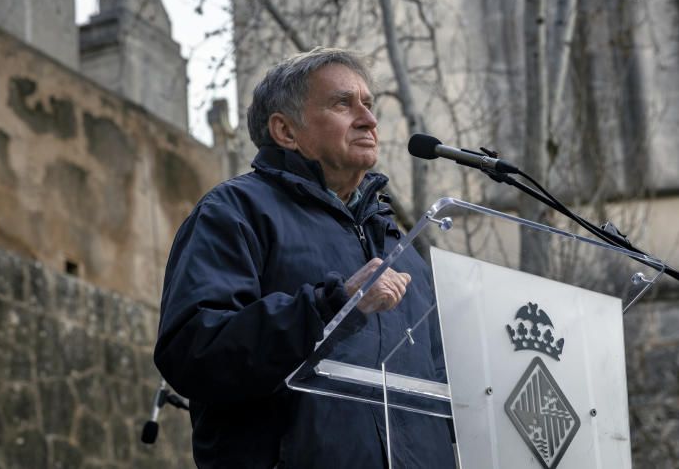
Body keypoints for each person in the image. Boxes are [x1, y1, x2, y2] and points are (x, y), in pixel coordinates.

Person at [154, 48, 454, 468]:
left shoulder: (402, 250)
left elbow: (446, 387)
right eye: (342, 103)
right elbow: (193, 350)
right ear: (286, 131)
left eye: (368, 105)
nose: (368, 119)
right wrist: (328, 307)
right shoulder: (235, 212)